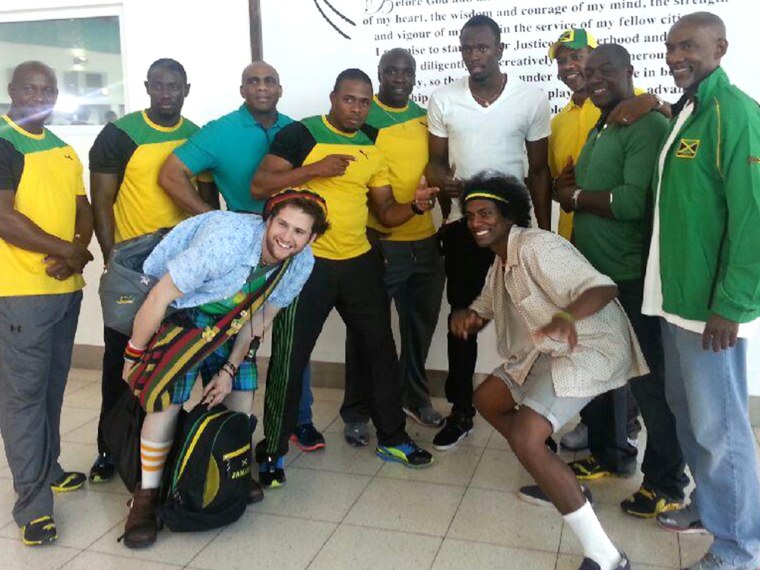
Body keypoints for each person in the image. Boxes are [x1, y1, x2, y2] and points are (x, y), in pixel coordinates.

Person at [251, 68, 437, 486]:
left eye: (364, 101)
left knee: (380, 353)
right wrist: (315, 169)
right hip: (307, 264)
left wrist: (418, 207)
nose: (356, 108)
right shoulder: (301, 134)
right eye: (349, 99)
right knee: (289, 357)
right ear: (333, 97)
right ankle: (273, 452)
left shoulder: (373, 141)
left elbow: (386, 215)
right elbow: (261, 185)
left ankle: (392, 437)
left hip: (360, 263)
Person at [454, 172, 647, 570]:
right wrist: (471, 316)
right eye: (471, 214)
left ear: (508, 216)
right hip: (550, 347)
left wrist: (564, 317)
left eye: (486, 213)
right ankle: (556, 477)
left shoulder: (538, 246)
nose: (476, 222)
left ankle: (607, 556)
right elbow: (488, 304)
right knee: (486, 399)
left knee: (526, 439)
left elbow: (602, 289)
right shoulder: (502, 260)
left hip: (591, 344)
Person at [120, 189, 329, 549]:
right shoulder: (227, 242)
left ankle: (232, 466)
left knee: (244, 392)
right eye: (282, 224)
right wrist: (133, 357)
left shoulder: (302, 262)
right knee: (167, 401)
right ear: (269, 219)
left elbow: (262, 316)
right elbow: (161, 296)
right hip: (185, 310)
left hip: (235, 320)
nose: (287, 237)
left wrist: (229, 370)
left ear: (312, 237)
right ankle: (147, 495)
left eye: (299, 231)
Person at [642, 12, 760, 569]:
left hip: (710, 310)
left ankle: (738, 548)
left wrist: (731, 305)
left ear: (721, 47)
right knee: (685, 412)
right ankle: (710, 508)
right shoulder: (689, 112)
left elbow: (753, 218)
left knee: (720, 429)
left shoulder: (734, 115)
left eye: (688, 45)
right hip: (674, 300)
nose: (675, 56)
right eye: (670, 47)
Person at [550, 43, 688, 518]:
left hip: (629, 275)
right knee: (604, 370)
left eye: (604, 70)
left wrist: (575, 195)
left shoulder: (645, 123)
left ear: (631, 71)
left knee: (650, 383)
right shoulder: (604, 121)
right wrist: (574, 190)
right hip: (599, 275)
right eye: (588, 73)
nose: (592, 79)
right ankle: (612, 454)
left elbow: (630, 203)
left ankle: (668, 481)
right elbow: (580, 186)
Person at [159, 61, 323, 453]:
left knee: (289, 341)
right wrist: (213, 221)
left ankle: (294, 424)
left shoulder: (298, 131)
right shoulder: (219, 131)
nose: (262, 87)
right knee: (221, 343)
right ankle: (209, 440)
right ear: (242, 89)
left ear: (280, 89)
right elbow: (170, 174)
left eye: (269, 81)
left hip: (291, 251)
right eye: (253, 81)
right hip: (238, 255)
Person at [426, 14, 552, 451]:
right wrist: (444, 181)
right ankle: (461, 410)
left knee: (533, 321)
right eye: (466, 48)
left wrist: (544, 234)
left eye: (481, 47)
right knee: (463, 318)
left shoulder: (531, 99)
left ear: (499, 48)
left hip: (515, 230)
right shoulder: (443, 99)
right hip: (465, 228)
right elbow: (436, 163)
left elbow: (539, 171)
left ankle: (539, 419)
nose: (473, 55)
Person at [88, 58, 204, 485]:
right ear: (147, 87)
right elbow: (102, 200)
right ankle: (108, 447)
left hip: (180, 269)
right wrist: (110, 259)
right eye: (158, 86)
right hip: (133, 271)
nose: (166, 93)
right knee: (119, 360)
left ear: (186, 89)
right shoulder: (120, 135)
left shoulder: (196, 136)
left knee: (171, 361)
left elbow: (204, 201)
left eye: (174, 86)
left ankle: (159, 445)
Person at [0, 61, 95, 546]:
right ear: (12, 91)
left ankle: (50, 467)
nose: (39, 96)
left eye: (49, 89)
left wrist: (75, 252)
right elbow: (4, 218)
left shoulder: (62, 149)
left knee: (53, 389)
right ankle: (33, 508)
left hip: (63, 289)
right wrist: (67, 251)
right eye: (30, 89)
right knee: (22, 399)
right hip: (18, 293)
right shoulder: (3, 141)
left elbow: (84, 208)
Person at [340, 48, 445, 446]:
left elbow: (436, 167)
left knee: (420, 328)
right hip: (380, 245)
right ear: (380, 74)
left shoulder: (424, 118)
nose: (399, 78)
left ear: (415, 76)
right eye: (392, 71)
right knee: (367, 332)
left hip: (425, 242)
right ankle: (357, 411)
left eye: (407, 72)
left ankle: (414, 398)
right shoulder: (365, 119)